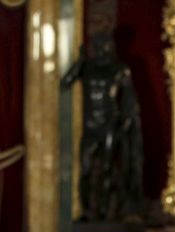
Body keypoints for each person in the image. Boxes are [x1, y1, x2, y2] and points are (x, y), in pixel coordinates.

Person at [61, 31, 143, 222]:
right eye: (97, 45)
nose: (100, 49)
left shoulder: (119, 69)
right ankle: (88, 210)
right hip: (90, 126)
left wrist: (126, 120)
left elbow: (130, 97)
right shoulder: (86, 67)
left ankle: (105, 213)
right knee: (86, 168)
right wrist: (79, 61)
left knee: (107, 169)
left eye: (103, 45)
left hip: (109, 125)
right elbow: (65, 82)